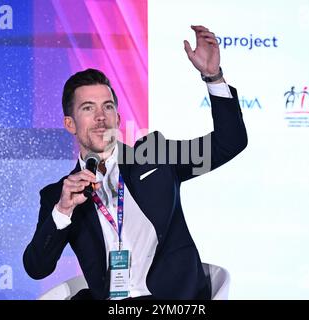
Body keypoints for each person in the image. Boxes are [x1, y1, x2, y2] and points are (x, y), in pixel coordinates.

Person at [23, 25, 247, 300]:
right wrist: (63, 210)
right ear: (70, 124)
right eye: (88, 108)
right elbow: (37, 268)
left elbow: (230, 142)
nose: (101, 117)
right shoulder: (59, 195)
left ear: (117, 117)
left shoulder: (155, 158)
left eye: (107, 106)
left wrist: (213, 77)